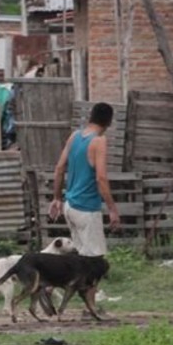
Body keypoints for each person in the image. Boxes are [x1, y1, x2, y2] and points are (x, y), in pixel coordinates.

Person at [47, 103, 120, 257]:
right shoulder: (99, 141)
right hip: (86, 209)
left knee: (80, 258)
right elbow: (101, 178)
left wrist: (56, 198)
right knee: (95, 259)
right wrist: (112, 209)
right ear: (109, 121)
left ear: (90, 117)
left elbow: (59, 168)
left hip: (70, 206)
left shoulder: (75, 136)